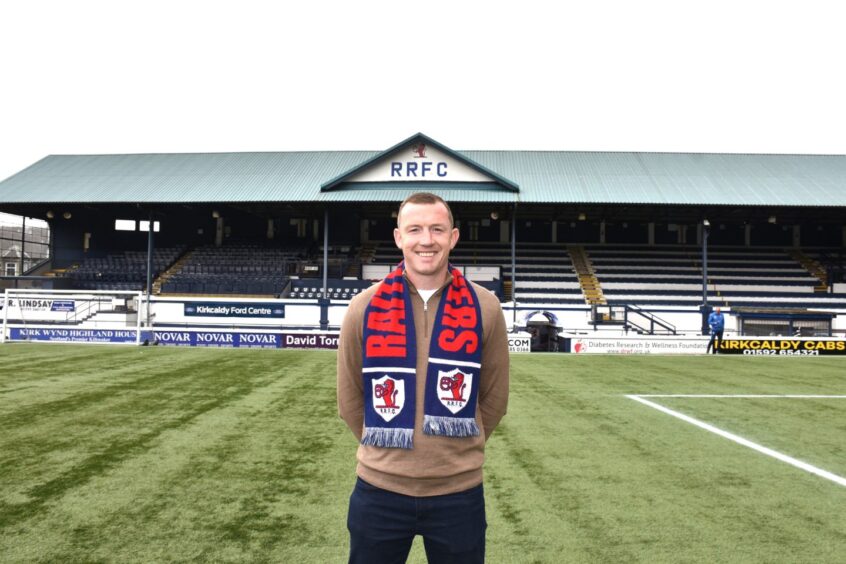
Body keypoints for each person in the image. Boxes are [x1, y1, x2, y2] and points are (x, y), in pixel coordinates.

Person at [337, 192, 510, 564]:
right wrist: (389, 453)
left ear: (453, 237)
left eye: (437, 229)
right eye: (415, 229)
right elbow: (351, 400)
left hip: (459, 494)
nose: (426, 240)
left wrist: (454, 453)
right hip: (378, 491)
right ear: (399, 237)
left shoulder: (486, 306)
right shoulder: (363, 306)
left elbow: (495, 399)